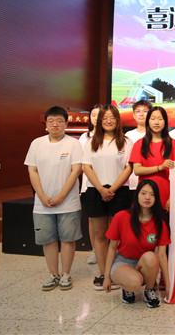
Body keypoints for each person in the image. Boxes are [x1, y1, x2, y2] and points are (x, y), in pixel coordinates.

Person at [24, 106, 83, 291]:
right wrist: (41, 195)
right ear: (46, 124)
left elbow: (76, 170)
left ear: (66, 123)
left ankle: (66, 274)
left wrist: (61, 195)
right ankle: (53, 274)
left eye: (59, 121)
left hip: (68, 202)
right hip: (42, 203)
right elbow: (32, 170)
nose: (55, 124)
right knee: (47, 239)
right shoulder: (36, 143)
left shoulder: (73, 144)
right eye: (51, 121)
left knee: (68, 239)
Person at [82, 105, 133, 290]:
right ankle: (103, 272)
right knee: (99, 235)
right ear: (100, 121)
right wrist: (101, 189)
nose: (109, 121)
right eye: (105, 118)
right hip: (95, 191)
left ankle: (115, 271)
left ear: (118, 120)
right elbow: (86, 167)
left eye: (112, 117)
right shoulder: (91, 142)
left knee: (116, 235)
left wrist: (112, 188)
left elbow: (128, 168)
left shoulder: (126, 142)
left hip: (120, 191)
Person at [103, 179, 170, 308]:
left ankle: (149, 290)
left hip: (144, 263)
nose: (147, 197)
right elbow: (111, 248)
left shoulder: (160, 223)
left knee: (151, 256)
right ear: (137, 195)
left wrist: (168, 284)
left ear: (156, 198)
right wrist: (106, 277)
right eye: (143, 193)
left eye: (152, 194)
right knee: (134, 282)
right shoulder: (121, 217)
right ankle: (127, 287)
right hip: (123, 262)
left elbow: (162, 255)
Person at [130, 106, 175, 211]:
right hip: (145, 193)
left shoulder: (173, 144)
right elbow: (137, 170)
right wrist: (160, 167)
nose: (156, 122)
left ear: (165, 122)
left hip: (166, 193)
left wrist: (172, 198)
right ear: (148, 121)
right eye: (153, 119)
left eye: (160, 119)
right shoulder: (139, 144)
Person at [79, 104, 101, 265]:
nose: (96, 118)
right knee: (93, 220)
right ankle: (95, 250)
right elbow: (81, 163)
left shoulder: (115, 137)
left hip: (110, 184)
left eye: (100, 115)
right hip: (89, 184)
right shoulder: (84, 137)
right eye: (93, 115)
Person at [125, 100, 152, 193]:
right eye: (138, 111)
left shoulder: (155, 135)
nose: (141, 114)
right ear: (133, 115)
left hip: (150, 182)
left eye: (145, 111)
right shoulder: (128, 135)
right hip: (131, 182)